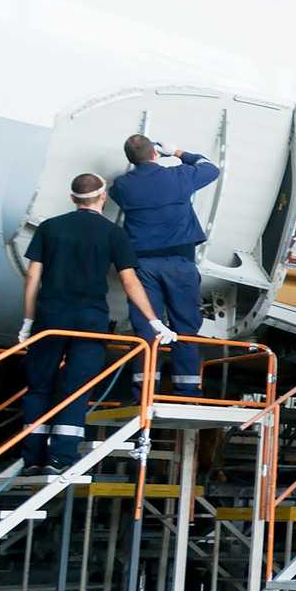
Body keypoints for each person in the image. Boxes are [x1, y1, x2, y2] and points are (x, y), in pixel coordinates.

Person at [19, 174, 176, 475]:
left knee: (39, 386)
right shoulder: (113, 234)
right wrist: (155, 321)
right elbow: (129, 281)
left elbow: (32, 277)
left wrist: (28, 320)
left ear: (73, 198)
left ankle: (33, 459)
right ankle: (61, 458)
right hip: (90, 320)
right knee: (77, 386)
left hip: (51, 318)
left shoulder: (50, 228)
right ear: (103, 198)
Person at [109, 134, 219, 398]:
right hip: (180, 263)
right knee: (186, 324)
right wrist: (179, 151)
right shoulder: (179, 176)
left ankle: (144, 390)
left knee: (147, 325)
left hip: (143, 265)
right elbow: (210, 168)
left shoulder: (122, 186)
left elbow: (115, 193)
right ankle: (188, 390)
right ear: (156, 154)